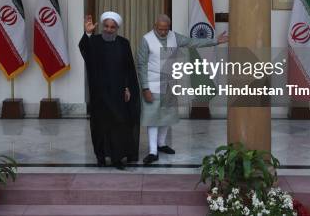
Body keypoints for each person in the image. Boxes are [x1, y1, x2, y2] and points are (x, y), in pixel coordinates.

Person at [138, 14, 228, 164]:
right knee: (152, 117)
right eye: (160, 29)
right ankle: (153, 151)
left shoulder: (174, 37)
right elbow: (141, 64)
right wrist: (145, 87)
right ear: (155, 26)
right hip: (153, 84)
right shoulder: (146, 39)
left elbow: (192, 42)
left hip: (170, 83)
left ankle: (162, 144)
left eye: (166, 29)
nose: (163, 32)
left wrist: (214, 41)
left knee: (167, 115)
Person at [79, 11, 141, 169]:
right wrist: (87, 33)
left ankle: (117, 158)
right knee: (99, 126)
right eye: (106, 26)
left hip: (117, 92)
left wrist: (127, 87)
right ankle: (100, 157)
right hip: (99, 93)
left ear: (117, 28)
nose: (108, 29)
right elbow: (84, 49)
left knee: (119, 125)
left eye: (112, 27)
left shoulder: (123, 43)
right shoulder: (94, 41)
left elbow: (128, 68)